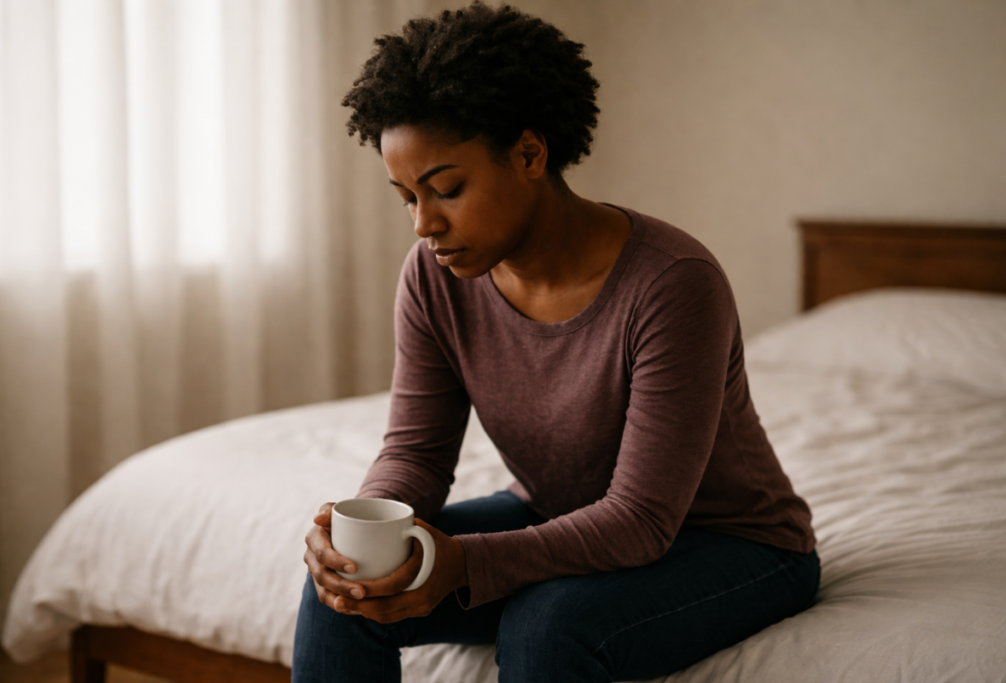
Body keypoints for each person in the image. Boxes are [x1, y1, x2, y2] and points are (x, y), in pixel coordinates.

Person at [294, 3, 819, 681]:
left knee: (548, 624)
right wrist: (367, 533)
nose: (423, 224)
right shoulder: (433, 275)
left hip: (733, 542)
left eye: (446, 189)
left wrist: (466, 562)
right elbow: (416, 454)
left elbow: (640, 519)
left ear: (529, 154)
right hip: (559, 513)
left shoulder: (673, 283)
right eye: (406, 197)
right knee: (346, 595)